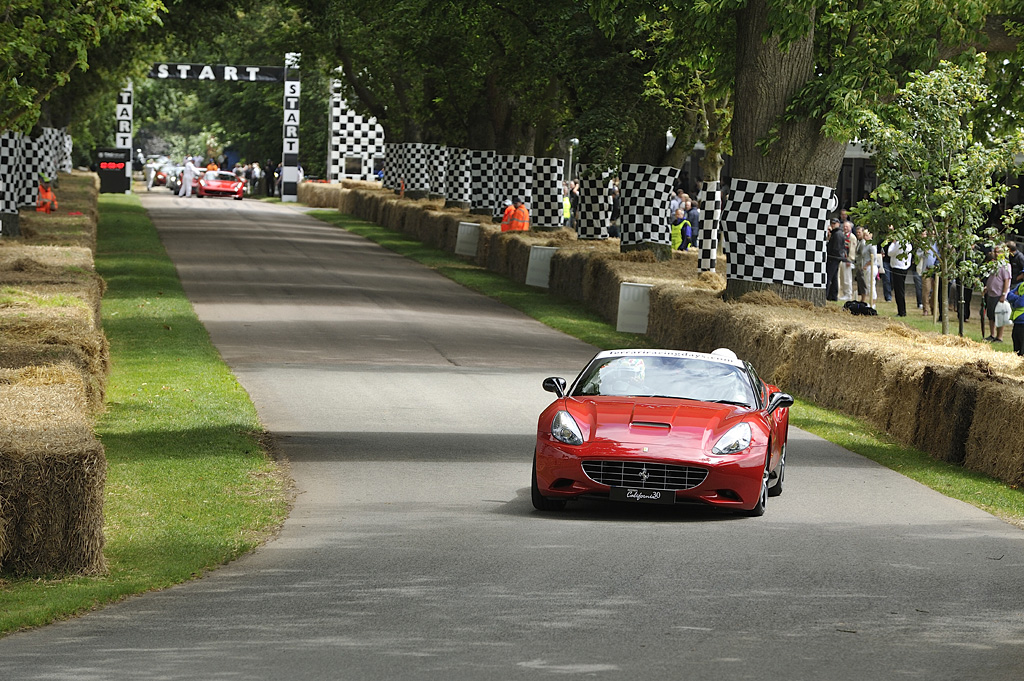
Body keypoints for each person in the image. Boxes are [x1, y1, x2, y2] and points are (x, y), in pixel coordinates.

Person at [983, 245, 1011, 343]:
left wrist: (1003, 294)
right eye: (995, 252)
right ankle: (992, 334)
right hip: (991, 293)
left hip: (999, 294)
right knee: (991, 315)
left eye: (999, 252)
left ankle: (999, 337)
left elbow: (1006, 280)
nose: (996, 254)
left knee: (999, 316)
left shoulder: (1005, 265)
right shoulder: (994, 264)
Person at [887, 239, 912, 317]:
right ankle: (901, 310)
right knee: (899, 290)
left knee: (899, 290)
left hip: (898, 267)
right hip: (904, 267)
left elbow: (890, 252)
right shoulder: (908, 243)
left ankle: (902, 311)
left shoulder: (899, 243)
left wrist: (893, 243)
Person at [825, 218, 844, 301]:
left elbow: (836, 248)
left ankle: (827, 294)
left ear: (838, 224)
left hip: (833, 257)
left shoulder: (837, 234)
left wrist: (830, 254)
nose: (833, 225)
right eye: (832, 223)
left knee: (829, 277)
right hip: (835, 257)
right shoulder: (836, 233)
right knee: (834, 278)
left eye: (834, 223)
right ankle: (832, 295)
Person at [1006, 272, 1024, 355]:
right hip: (1017, 320)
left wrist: (1016, 299)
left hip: (1022, 321)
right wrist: (1018, 297)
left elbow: (1020, 303)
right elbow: (1009, 295)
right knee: (1016, 343)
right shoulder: (1021, 285)